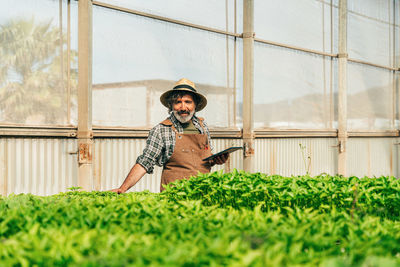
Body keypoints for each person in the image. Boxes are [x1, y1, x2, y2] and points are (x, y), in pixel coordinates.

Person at [111, 78, 229, 193]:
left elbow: (204, 161)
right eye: (178, 102)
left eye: (188, 102)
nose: (183, 107)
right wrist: (123, 188)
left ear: (195, 105)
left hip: (204, 193)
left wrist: (216, 160)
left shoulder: (202, 126)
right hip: (174, 195)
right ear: (171, 105)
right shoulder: (162, 130)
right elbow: (145, 162)